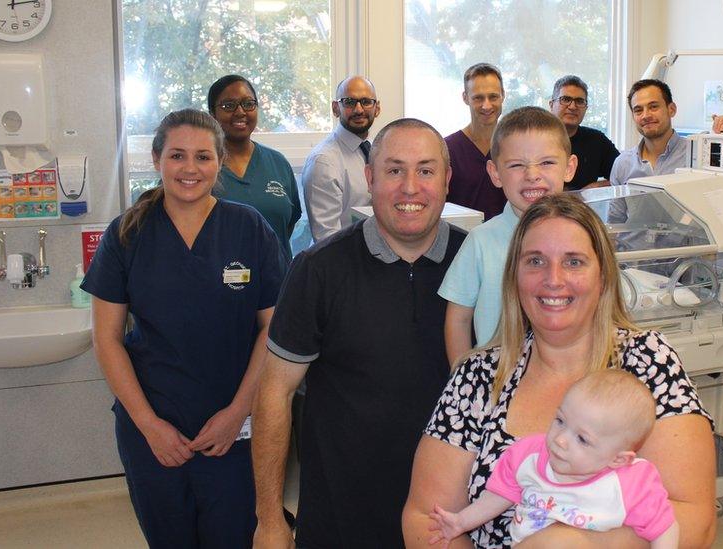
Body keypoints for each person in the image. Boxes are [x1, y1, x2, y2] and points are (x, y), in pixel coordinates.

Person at [403, 193, 716, 548]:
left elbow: (694, 518)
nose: (553, 279)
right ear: (514, 277)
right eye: (535, 261)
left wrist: (570, 544)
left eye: (574, 262)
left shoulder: (648, 363)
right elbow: (422, 518)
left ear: (603, 276)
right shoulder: (477, 376)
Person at [252, 118, 465, 549]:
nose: (410, 187)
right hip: (341, 517)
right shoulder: (319, 269)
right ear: (369, 178)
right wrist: (270, 517)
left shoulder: (477, 266)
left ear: (447, 180)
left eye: (426, 170)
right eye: (394, 170)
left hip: (452, 519)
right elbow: (274, 394)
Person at [84, 109, 285, 548]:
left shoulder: (249, 229)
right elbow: (107, 339)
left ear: (219, 163)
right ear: (157, 159)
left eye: (203, 157)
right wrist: (149, 424)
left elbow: (273, 331)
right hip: (152, 426)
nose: (190, 169)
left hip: (234, 429)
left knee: (232, 535)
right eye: (177, 155)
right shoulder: (126, 234)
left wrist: (238, 412)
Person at [429, 369, 678, 549]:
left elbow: (663, 527)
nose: (560, 439)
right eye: (560, 421)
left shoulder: (630, 484)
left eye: (582, 439)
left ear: (618, 460)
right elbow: (500, 496)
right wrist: (460, 522)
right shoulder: (530, 455)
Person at [440, 107, 577, 364]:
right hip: (496, 386)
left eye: (546, 162)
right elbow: (458, 320)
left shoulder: (586, 239)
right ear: (495, 173)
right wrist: (463, 386)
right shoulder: (480, 241)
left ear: (569, 168)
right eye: (516, 165)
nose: (532, 175)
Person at [207, 74, 302, 261]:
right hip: (216, 283)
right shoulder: (202, 167)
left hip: (277, 282)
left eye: (248, 104)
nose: (240, 112)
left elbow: (287, 224)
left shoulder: (278, 163)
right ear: (212, 114)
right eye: (228, 105)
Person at [610, 78, 723, 186]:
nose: (645, 115)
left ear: (671, 109)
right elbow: (616, 217)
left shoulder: (699, 154)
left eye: (653, 107)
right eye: (638, 110)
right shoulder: (622, 164)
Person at [303, 75, 382, 242]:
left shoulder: (379, 152)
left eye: (366, 102)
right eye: (349, 102)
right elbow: (327, 239)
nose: (359, 110)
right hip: (343, 263)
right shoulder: (324, 161)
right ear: (335, 108)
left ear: (377, 108)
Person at [445, 63, 508, 221]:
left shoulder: (516, 146)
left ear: (503, 95)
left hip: (511, 240)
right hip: (460, 239)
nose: (486, 105)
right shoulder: (447, 149)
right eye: (478, 98)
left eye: (493, 97)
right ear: (465, 98)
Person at [547, 75, 620, 191]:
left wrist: (591, 190)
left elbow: (623, 176)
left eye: (579, 101)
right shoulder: (537, 139)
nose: (572, 106)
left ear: (586, 108)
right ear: (551, 105)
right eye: (565, 99)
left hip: (582, 207)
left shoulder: (596, 141)